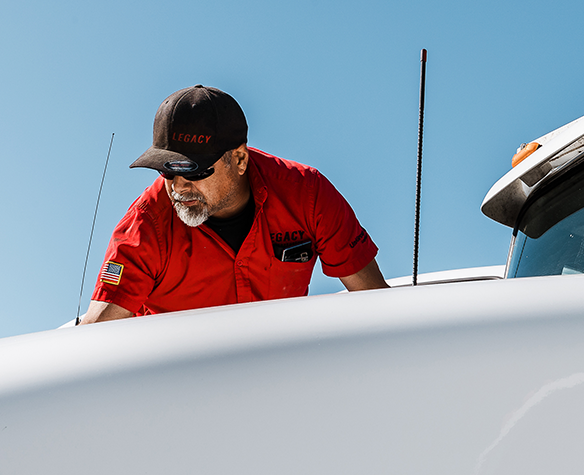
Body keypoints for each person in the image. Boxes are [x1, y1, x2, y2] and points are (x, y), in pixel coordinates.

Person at [81, 84, 389, 324]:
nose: (178, 187)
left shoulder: (308, 195)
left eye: (194, 170)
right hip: (178, 384)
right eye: (167, 171)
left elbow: (376, 303)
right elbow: (95, 335)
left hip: (281, 374)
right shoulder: (145, 226)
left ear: (239, 159)